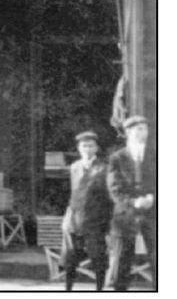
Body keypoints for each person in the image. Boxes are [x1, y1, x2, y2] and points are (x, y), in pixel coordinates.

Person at [106, 115, 156, 292]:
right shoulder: (117, 158)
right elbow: (115, 188)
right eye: (138, 129)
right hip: (126, 213)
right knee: (122, 257)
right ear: (128, 132)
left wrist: (152, 198)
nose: (143, 133)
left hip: (153, 212)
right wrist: (133, 202)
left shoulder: (157, 154)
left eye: (145, 129)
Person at [61, 130, 113, 291]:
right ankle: (68, 289)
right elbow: (73, 195)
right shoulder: (74, 167)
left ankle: (99, 290)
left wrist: (107, 224)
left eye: (91, 146)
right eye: (84, 146)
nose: (87, 149)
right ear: (78, 148)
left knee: (98, 259)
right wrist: (67, 218)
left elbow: (109, 198)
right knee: (70, 259)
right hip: (75, 220)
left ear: (96, 148)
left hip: (95, 220)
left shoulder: (104, 168)